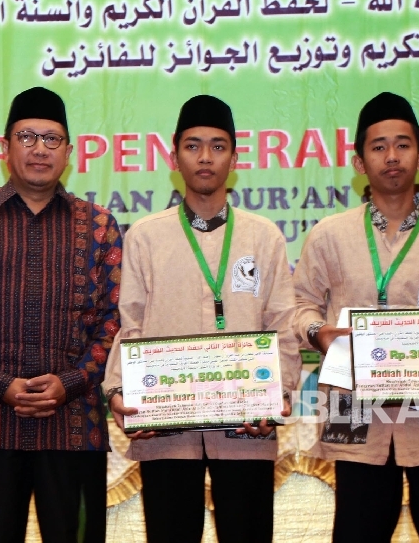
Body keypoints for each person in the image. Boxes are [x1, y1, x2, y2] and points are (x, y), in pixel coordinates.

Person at [292, 92, 419, 542]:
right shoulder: (329, 236)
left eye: (403, 145)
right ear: (359, 161)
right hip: (355, 415)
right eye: (378, 146)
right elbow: (297, 307)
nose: (392, 156)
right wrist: (317, 332)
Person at [102, 94, 301, 543]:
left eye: (217, 146)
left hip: (247, 424)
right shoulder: (146, 237)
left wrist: (279, 394)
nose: (205, 157)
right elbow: (129, 323)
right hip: (165, 430)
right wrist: (118, 392)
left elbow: (282, 323)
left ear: (234, 156)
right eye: (193, 146)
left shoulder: (263, 235)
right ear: (174, 156)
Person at [0, 86, 122, 543]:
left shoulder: (99, 226)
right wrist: (2, 385)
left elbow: (114, 322)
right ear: (5, 147)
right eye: (28, 137)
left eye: (52, 139)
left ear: (70, 151)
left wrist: (70, 382)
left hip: (74, 426)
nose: (40, 149)